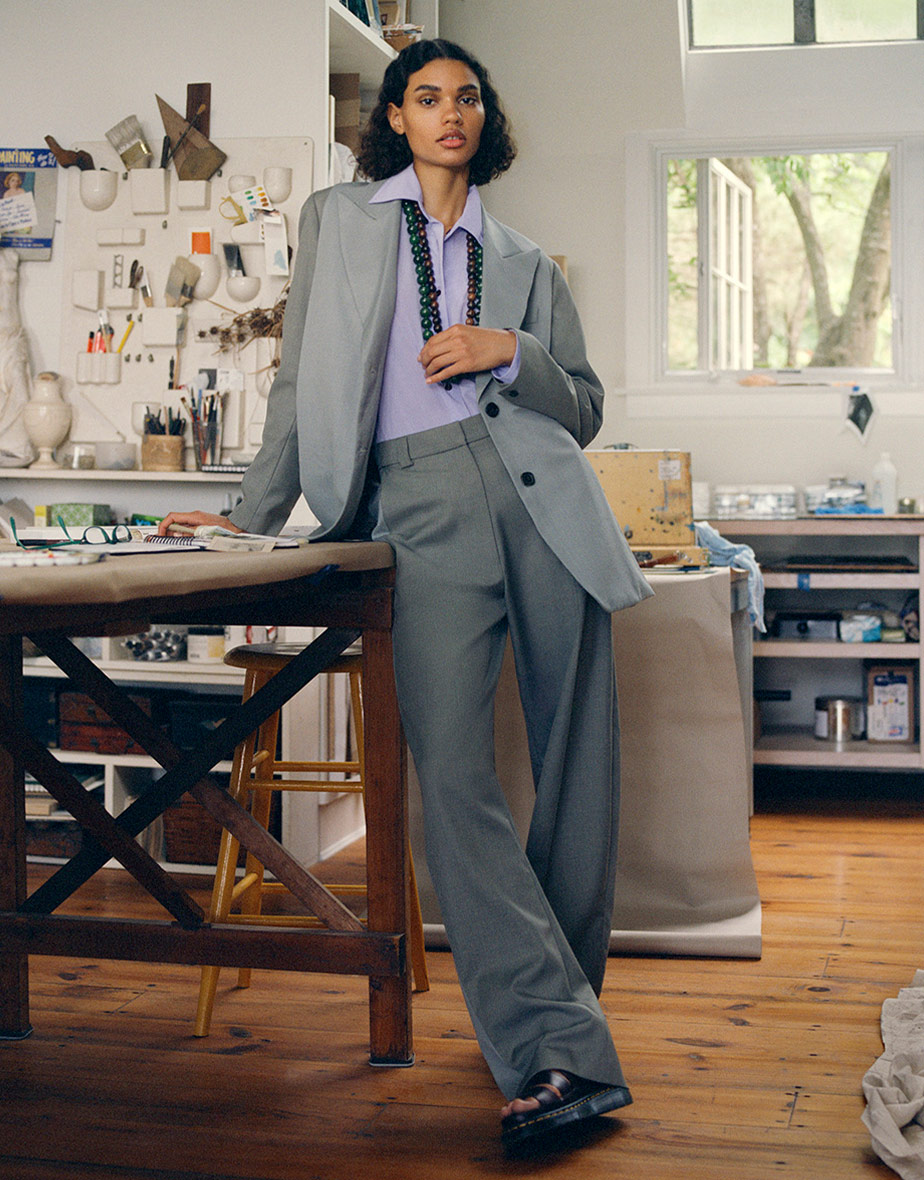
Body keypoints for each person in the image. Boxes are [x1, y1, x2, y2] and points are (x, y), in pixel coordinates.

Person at [159, 38, 652, 1147]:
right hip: (418, 515)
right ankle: (560, 1039)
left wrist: (506, 347)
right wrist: (247, 517)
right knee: (455, 781)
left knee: (579, 766)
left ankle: (557, 1046)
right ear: (395, 115)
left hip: (543, 503)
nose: (450, 113)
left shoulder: (526, 259)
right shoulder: (340, 224)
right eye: (427, 96)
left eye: (467, 97)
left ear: (485, 118)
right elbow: (296, 386)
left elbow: (581, 407)